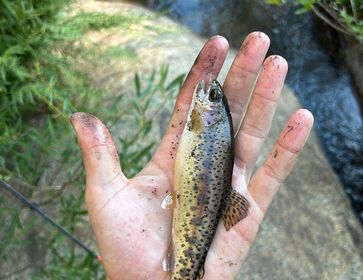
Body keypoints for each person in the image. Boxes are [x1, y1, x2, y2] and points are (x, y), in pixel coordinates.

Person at [70, 32, 314, 280]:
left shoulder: (209, 124)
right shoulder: (206, 123)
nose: (211, 92)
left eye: (214, 98)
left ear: (212, 118)